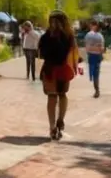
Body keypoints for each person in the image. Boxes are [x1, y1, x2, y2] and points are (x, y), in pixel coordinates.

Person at [38, 10, 79, 140]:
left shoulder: (66, 36)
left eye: (56, 21)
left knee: (59, 95)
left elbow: (67, 52)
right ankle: (54, 125)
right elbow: (42, 53)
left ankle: (58, 122)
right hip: (53, 69)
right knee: (54, 96)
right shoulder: (48, 36)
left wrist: (57, 37)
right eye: (52, 21)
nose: (54, 24)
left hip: (58, 69)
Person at [84, 21, 105, 98]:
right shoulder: (101, 36)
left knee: (93, 73)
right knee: (96, 74)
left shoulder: (88, 35)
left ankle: (96, 90)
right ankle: (97, 90)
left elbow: (86, 46)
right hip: (98, 56)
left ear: (93, 26)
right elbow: (102, 49)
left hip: (91, 55)